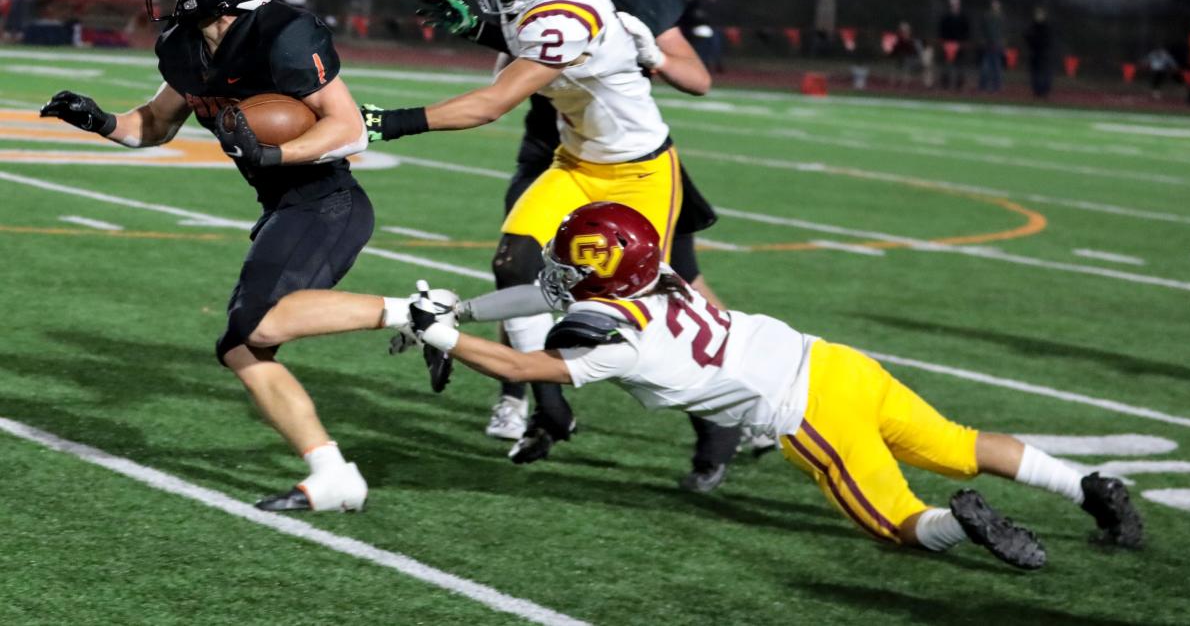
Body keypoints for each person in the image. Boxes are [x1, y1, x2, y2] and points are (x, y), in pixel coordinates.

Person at [402, 201, 1144, 570]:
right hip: (836, 362)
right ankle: (1088, 487)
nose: (556, 271)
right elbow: (552, 295)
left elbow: (524, 365)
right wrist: (462, 308)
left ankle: (965, 526)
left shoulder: (614, 339)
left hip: (805, 410)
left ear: (600, 274)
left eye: (571, 260)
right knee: (958, 443)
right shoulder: (656, 276)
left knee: (899, 525)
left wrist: (444, 336)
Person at [39, 0, 382, 513]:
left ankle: (420, 313)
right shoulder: (184, 44)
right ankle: (332, 473)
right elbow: (154, 124)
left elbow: (350, 130)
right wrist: (96, 120)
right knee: (242, 345)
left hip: (327, 202)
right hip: (282, 206)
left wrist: (273, 151)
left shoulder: (283, 33)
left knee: (260, 327)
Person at [409, 0, 739, 490]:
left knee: (663, 298)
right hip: (559, 146)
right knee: (518, 265)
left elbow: (696, 79)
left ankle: (720, 414)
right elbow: (534, 43)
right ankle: (538, 402)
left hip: (635, 160)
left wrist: (648, 55)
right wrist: (481, 28)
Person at [360, 0, 685, 466]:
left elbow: (492, 104)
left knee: (628, 316)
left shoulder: (568, 9)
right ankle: (550, 406)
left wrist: (385, 123)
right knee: (515, 261)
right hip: (577, 162)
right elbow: (521, 46)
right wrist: (477, 27)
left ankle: (719, 425)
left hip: (639, 171)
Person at [937, 0, 970, 90]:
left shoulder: (963, 17)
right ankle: (945, 84)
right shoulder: (945, 17)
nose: (954, 5)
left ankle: (959, 85)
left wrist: (964, 42)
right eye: (952, 3)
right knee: (947, 65)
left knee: (960, 65)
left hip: (959, 44)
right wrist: (944, 42)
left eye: (956, 3)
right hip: (948, 44)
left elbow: (966, 30)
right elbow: (942, 30)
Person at [1025, 7, 1054, 99]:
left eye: (1040, 14)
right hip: (1035, 53)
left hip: (1045, 54)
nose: (1039, 16)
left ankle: (1045, 91)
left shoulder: (1047, 27)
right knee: (1035, 73)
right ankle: (1037, 91)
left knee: (1045, 73)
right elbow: (1027, 37)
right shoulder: (1032, 26)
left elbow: (1049, 40)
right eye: (1037, 15)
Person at [978, 0, 1005, 93]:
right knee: (985, 67)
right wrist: (984, 42)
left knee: (997, 68)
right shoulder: (987, 17)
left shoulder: (1001, 18)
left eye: (996, 5)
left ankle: (997, 87)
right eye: (993, 5)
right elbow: (983, 31)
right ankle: (983, 86)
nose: (995, 7)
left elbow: (1003, 32)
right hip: (988, 46)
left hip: (997, 46)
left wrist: (1001, 43)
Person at [888, 21, 923, 89]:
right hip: (899, 58)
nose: (903, 32)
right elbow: (894, 50)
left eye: (905, 30)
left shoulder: (912, 41)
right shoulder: (898, 39)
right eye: (902, 30)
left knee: (906, 66)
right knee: (894, 66)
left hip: (909, 59)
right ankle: (892, 85)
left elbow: (915, 52)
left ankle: (904, 86)